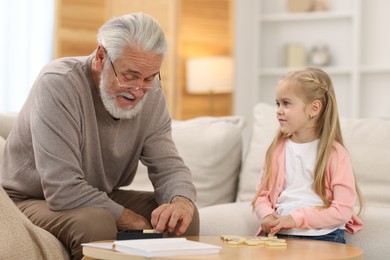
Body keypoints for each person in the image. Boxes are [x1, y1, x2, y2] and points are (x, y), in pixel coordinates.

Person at [0, 12, 199, 259]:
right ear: (101, 56)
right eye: (130, 76)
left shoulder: (152, 95)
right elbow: (62, 188)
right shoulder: (58, 83)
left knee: (181, 220)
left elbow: (169, 167)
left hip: (96, 196)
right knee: (96, 224)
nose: (138, 91)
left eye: (149, 78)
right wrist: (131, 219)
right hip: (30, 198)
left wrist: (181, 201)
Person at [251, 67, 363, 244]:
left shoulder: (336, 154)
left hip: (325, 237)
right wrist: (266, 214)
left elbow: (343, 210)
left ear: (314, 108)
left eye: (286, 103)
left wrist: (295, 218)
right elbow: (261, 195)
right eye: (277, 103)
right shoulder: (277, 150)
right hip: (278, 236)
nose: (279, 110)